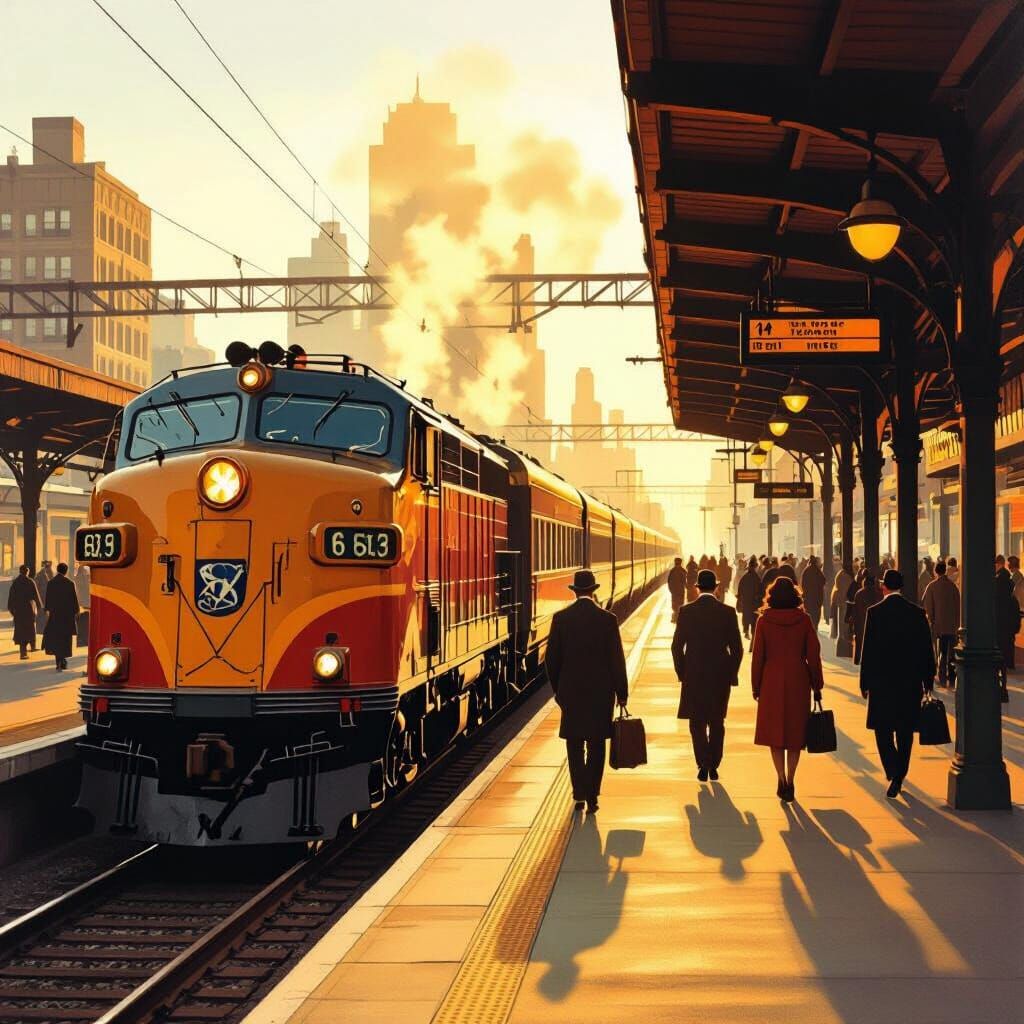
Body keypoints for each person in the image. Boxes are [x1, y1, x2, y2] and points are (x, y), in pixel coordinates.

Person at [544, 569, 628, 814]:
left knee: (574, 744)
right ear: (593, 591)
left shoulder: (561, 619)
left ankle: (578, 793)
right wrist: (621, 692)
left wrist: (559, 690)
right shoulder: (607, 619)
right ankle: (593, 796)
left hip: (571, 693)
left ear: (575, 592)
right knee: (596, 744)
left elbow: (551, 660)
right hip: (601, 694)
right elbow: (617, 660)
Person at [859, 569, 936, 798]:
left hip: (882, 682)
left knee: (882, 729)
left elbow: (868, 650)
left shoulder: (874, 613)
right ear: (901, 586)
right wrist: (927, 678)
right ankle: (900, 773)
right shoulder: (917, 613)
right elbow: (926, 649)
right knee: (904, 730)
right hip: (909, 682)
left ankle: (892, 769)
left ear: (884, 587)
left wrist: (865, 682)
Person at [751, 576, 824, 802]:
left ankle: (781, 778)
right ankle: (791, 779)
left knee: (775, 735)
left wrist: (756, 686)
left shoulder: (763, 621)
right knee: (794, 735)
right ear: (795, 596)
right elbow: (813, 655)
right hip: (797, 680)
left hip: (771, 679)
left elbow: (758, 657)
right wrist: (816, 684)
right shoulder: (803, 620)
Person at [672, 569, 744, 782]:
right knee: (717, 721)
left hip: (694, 676)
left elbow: (676, 647)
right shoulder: (728, 613)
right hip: (719, 677)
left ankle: (702, 762)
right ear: (716, 588)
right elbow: (737, 649)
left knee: (697, 722)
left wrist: (682, 672)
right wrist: (731, 674)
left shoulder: (686, 612)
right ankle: (714, 763)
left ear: (697, 588)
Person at [922, 560, 959, 688]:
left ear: (935, 571)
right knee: (951, 651)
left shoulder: (932, 586)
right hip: (952, 625)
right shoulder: (953, 586)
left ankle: (942, 676)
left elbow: (928, 607)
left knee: (941, 651)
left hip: (938, 625)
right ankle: (952, 675)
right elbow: (957, 606)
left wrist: (931, 621)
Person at [42, 562, 79, 671]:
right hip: (66, 617)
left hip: (55, 616)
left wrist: (48, 611)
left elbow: (47, 601)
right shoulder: (70, 583)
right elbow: (74, 601)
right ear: (66, 571)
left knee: (56, 639)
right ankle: (63, 660)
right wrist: (76, 612)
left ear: (57, 570)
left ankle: (58, 661)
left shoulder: (51, 583)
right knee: (64, 639)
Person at [7, 565, 42, 659]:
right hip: (28, 609)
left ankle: (23, 652)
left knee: (21, 630)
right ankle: (32, 647)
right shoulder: (30, 582)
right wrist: (39, 608)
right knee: (30, 628)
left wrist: (12, 610)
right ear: (27, 572)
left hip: (18, 610)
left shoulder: (15, 583)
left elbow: (11, 598)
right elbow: (36, 596)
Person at [849, 570, 882, 666]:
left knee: (860, 643)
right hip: (874, 625)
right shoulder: (878, 594)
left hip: (861, 624)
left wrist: (853, 625)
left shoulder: (859, 594)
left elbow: (855, 612)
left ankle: (858, 659)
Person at [995, 566, 1020, 685]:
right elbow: (1016, 616)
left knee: (998, 654)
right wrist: (1015, 628)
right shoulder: (1012, 599)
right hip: (1008, 630)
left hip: (997, 629)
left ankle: (1001, 681)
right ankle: (1004, 682)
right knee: (1007, 651)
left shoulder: (994, 598)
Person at [736, 556, 764, 645]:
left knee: (746, 616)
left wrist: (740, 598)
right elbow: (760, 590)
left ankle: (746, 630)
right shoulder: (757, 578)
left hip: (747, 601)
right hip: (755, 602)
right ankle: (752, 639)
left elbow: (740, 589)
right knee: (754, 620)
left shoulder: (745, 577)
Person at [830, 562, 854, 655]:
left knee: (842, 626)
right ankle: (844, 649)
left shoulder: (841, 574)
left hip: (840, 602)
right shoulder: (845, 577)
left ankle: (843, 647)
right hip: (844, 603)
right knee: (844, 626)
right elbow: (846, 590)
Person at [799, 555, 826, 629]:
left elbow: (803, 584)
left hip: (808, 597)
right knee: (816, 616)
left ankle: (809, 628)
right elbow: (823, 581)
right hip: (817, 598)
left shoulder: (806, 570)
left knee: (809, 614)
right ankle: (815, 628)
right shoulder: (817, 570)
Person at [33, 560, 53, 633]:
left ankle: (42, 629)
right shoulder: (42, 575)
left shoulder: (45, 574)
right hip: (42, 597)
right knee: (42, 613)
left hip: (43, 597)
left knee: (43, 614)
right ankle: (42, 629)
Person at [667, 557, 686, 622]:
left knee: (674, 605)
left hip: (674, 591)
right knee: (680, 604)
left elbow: (669, 581)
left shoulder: (672, 571)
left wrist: (671, 590)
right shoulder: (683, 571)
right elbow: (685, 581)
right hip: (680, 591)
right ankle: (679, 617)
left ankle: (675, 617)